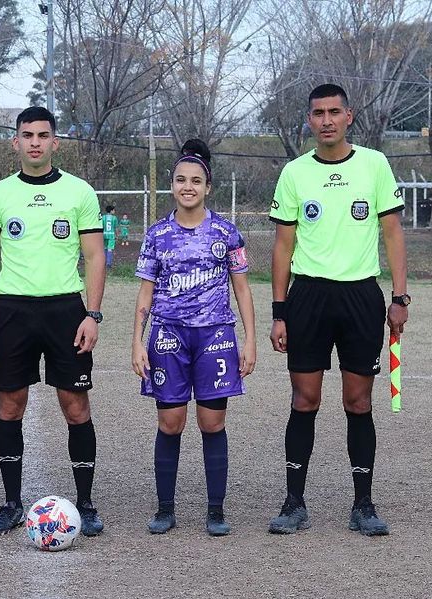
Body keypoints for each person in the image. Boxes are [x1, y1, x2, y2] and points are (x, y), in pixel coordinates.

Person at [267, 84, 408, 536]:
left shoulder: (374, 165)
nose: (326, 120)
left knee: (358, 400)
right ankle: (294, 503)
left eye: (334, 112)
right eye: (318, 113)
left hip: (360, 296)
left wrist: (400, 298)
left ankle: (363, 505)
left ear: (349, 116)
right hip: (308, 297)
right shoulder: (294, 173)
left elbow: (392, 235)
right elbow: (283, 246)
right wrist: (280, 310)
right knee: (304, 399)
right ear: (309, 120)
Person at [0, 106, 106, 537]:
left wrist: (93, 313)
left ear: (55, 142)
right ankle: (12, 503)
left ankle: (85, 502)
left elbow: (94, 256)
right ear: (15, 142)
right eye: (26, 135)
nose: (34, 142)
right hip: (12, 310)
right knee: (10, 405)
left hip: (66, 310)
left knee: (75, 405)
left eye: (42, 135)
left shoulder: (79, 192)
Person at [132, 139, 256, 536]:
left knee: (211, 422)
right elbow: (146, 293)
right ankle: (165, 508)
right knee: (170, 423)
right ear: (172, 185)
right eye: (181, 180)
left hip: (215, 336)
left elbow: (242, 289)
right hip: (167, 336)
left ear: (208, 187)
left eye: (196, 181)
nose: (188, 186)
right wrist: (137, 341)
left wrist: (249, 340)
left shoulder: (226, 232)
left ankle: (215, 510)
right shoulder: (156, 234)